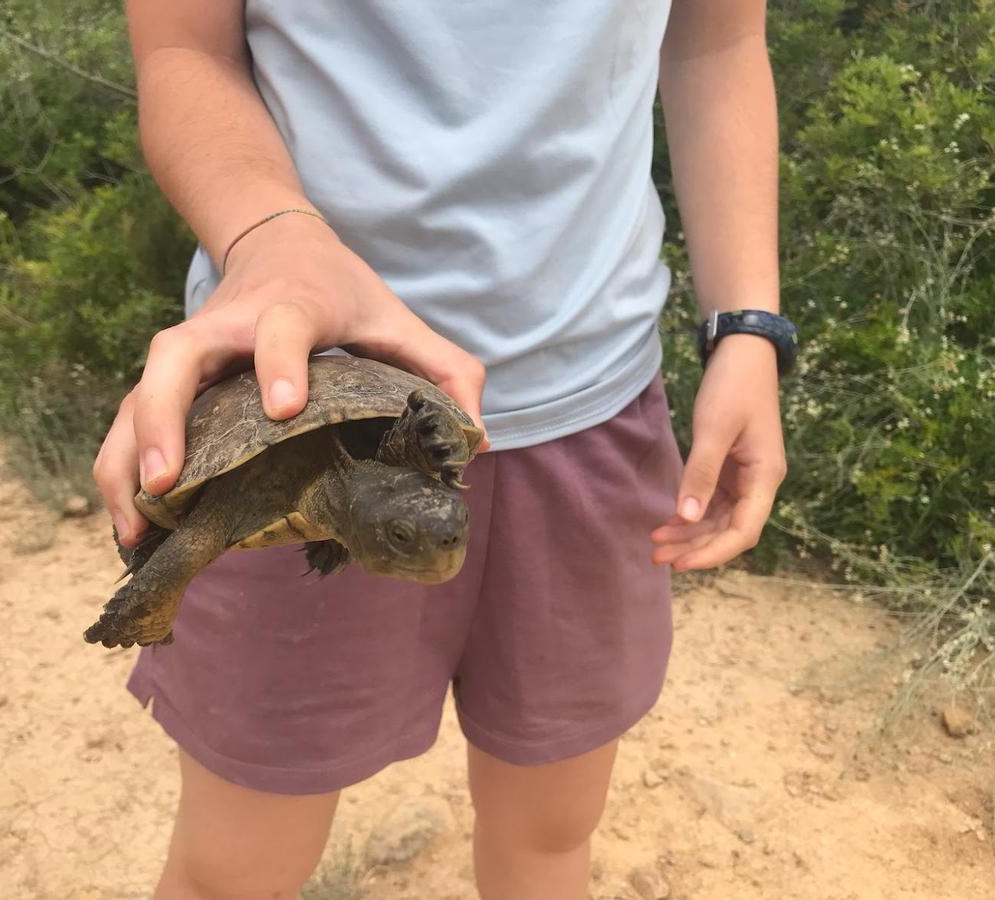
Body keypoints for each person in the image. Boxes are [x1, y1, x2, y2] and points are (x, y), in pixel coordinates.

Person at [91, 1, 789, 897]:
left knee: (551, 833)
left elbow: (718, 39)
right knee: (232, 867)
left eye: (438, 530)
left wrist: (747, 324)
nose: (443, 543)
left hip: (593, 391)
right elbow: (185, 50)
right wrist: (273, 238)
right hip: (284, 376)